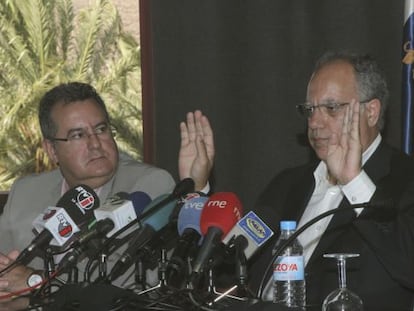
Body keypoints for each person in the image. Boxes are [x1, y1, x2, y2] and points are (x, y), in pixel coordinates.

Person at [0, 82, 215, 310]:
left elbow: (123, 283)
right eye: (78, 135)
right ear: (52, 149)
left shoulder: (146, 187)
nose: (95, 144)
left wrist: (35, 283)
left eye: (101, 129)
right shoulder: (26, 191)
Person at [247, 51, 414, 311]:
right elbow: (234, 262)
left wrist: (354, 181)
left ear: (371, 112)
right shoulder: (287, 183)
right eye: (310, 109)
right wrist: (197, 192)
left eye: (331, 108)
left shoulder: (406, 178)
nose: (314, 122)